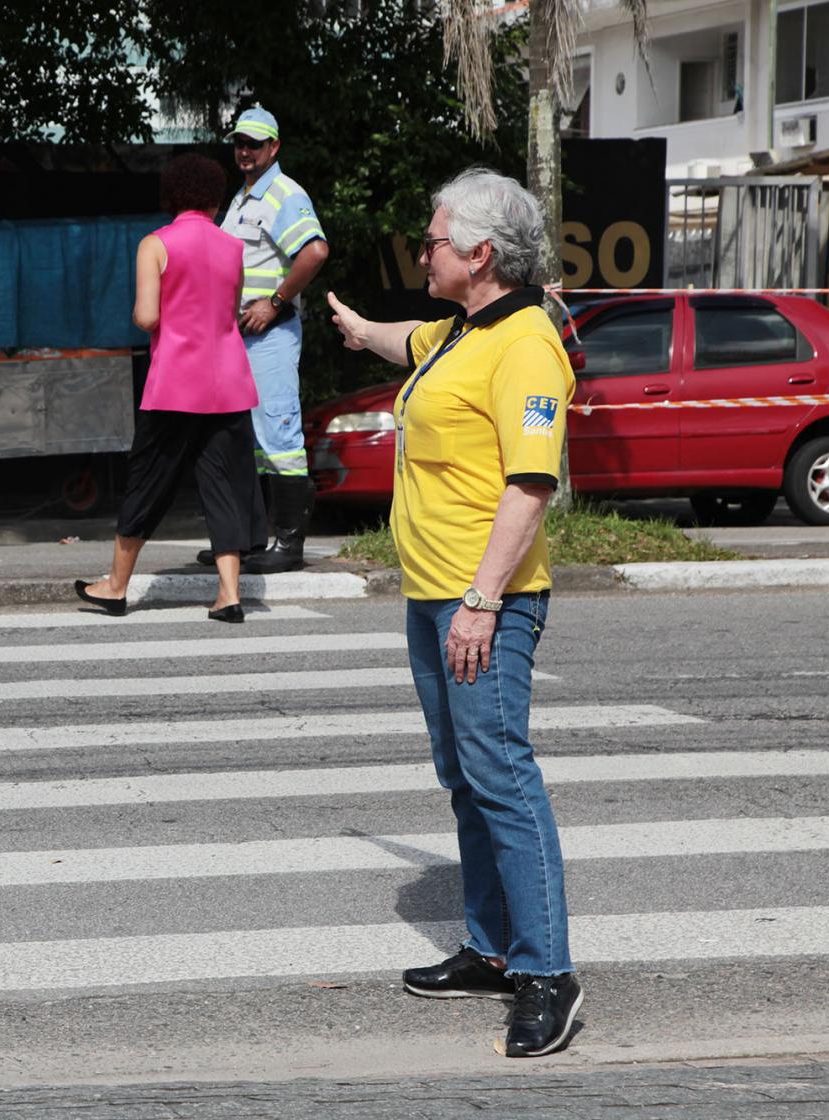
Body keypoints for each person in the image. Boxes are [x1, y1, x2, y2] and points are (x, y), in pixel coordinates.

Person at [326, 167, 581, 1058]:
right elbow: (411, 343)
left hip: (486, 600)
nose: (423, 250)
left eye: (434, 240)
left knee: (501, 774)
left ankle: (547, 970)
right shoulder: (460, 331)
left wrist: (482, 600)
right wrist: (357, 329)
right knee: (463, 776)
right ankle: (489, 946)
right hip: (432, 594)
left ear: (480, 253)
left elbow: (530, 483)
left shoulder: (525, 344)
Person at [74, 153, 262, 623]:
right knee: (224, 485)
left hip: (177, 383)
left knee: (148, 482)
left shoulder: (155, 244)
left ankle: (116, 586)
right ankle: (229, 594)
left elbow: (147, 316)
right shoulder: (232, 247)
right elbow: (228, 313)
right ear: (216, 198)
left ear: (172, 195)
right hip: (229, 384)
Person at [199, 104, 328, 574]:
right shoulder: (243, 197)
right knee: (243, 438)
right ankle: (248, 541)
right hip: (238, 336)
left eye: (254, 144)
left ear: (275, 147)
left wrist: (274, 302)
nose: (245, 151)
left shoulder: (283, 194)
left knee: (278, 434)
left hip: (267, 335)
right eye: (239, 143)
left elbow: (314, 251)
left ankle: (288, 545)